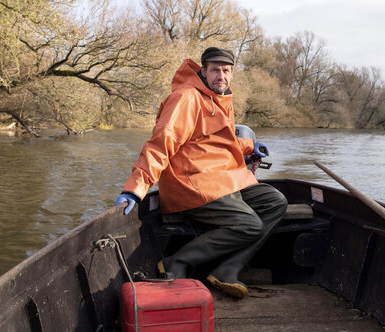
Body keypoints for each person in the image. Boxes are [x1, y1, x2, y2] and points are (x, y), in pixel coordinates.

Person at [115, 47, 287, 298]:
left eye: (226, 71)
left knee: (275, 201)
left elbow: (218, 142)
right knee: (250, 225)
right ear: (203, 70)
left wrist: (250, 146)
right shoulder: (186, 98)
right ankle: (177, 262)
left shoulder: (220, 98)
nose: (221, 76)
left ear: (232, 74)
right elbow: (161, 143)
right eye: (215, 70)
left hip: (223, 178)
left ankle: (227, 270)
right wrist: (135, 187)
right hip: (193, 182)